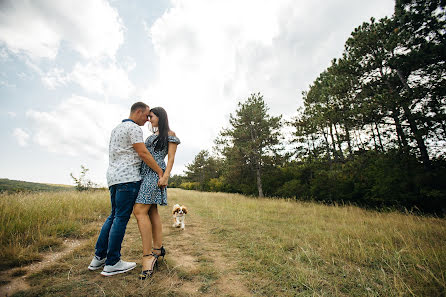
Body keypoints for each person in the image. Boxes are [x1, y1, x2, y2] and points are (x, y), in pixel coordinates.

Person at [88, 102, 167, 276]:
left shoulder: (117, 128)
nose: (147, 119)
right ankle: (113, 262)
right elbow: (143, 153)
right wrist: (160, 171)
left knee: (113, 216)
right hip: (128, 178)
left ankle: (99, 257)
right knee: (121, 218)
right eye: (146, 115)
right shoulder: (134, 128)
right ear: (138, 112)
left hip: (113, 178)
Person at [133, 107, 180, 280]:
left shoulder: (170, 133)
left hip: (155, 174)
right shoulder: (152, 135)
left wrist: (166, 176)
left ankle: (148, 256)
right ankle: (158, 249)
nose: (148, 119)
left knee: (139, 211)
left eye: (151, 116)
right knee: (151, 210)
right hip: (145, 173)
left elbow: (171, 158)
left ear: (159, 117)